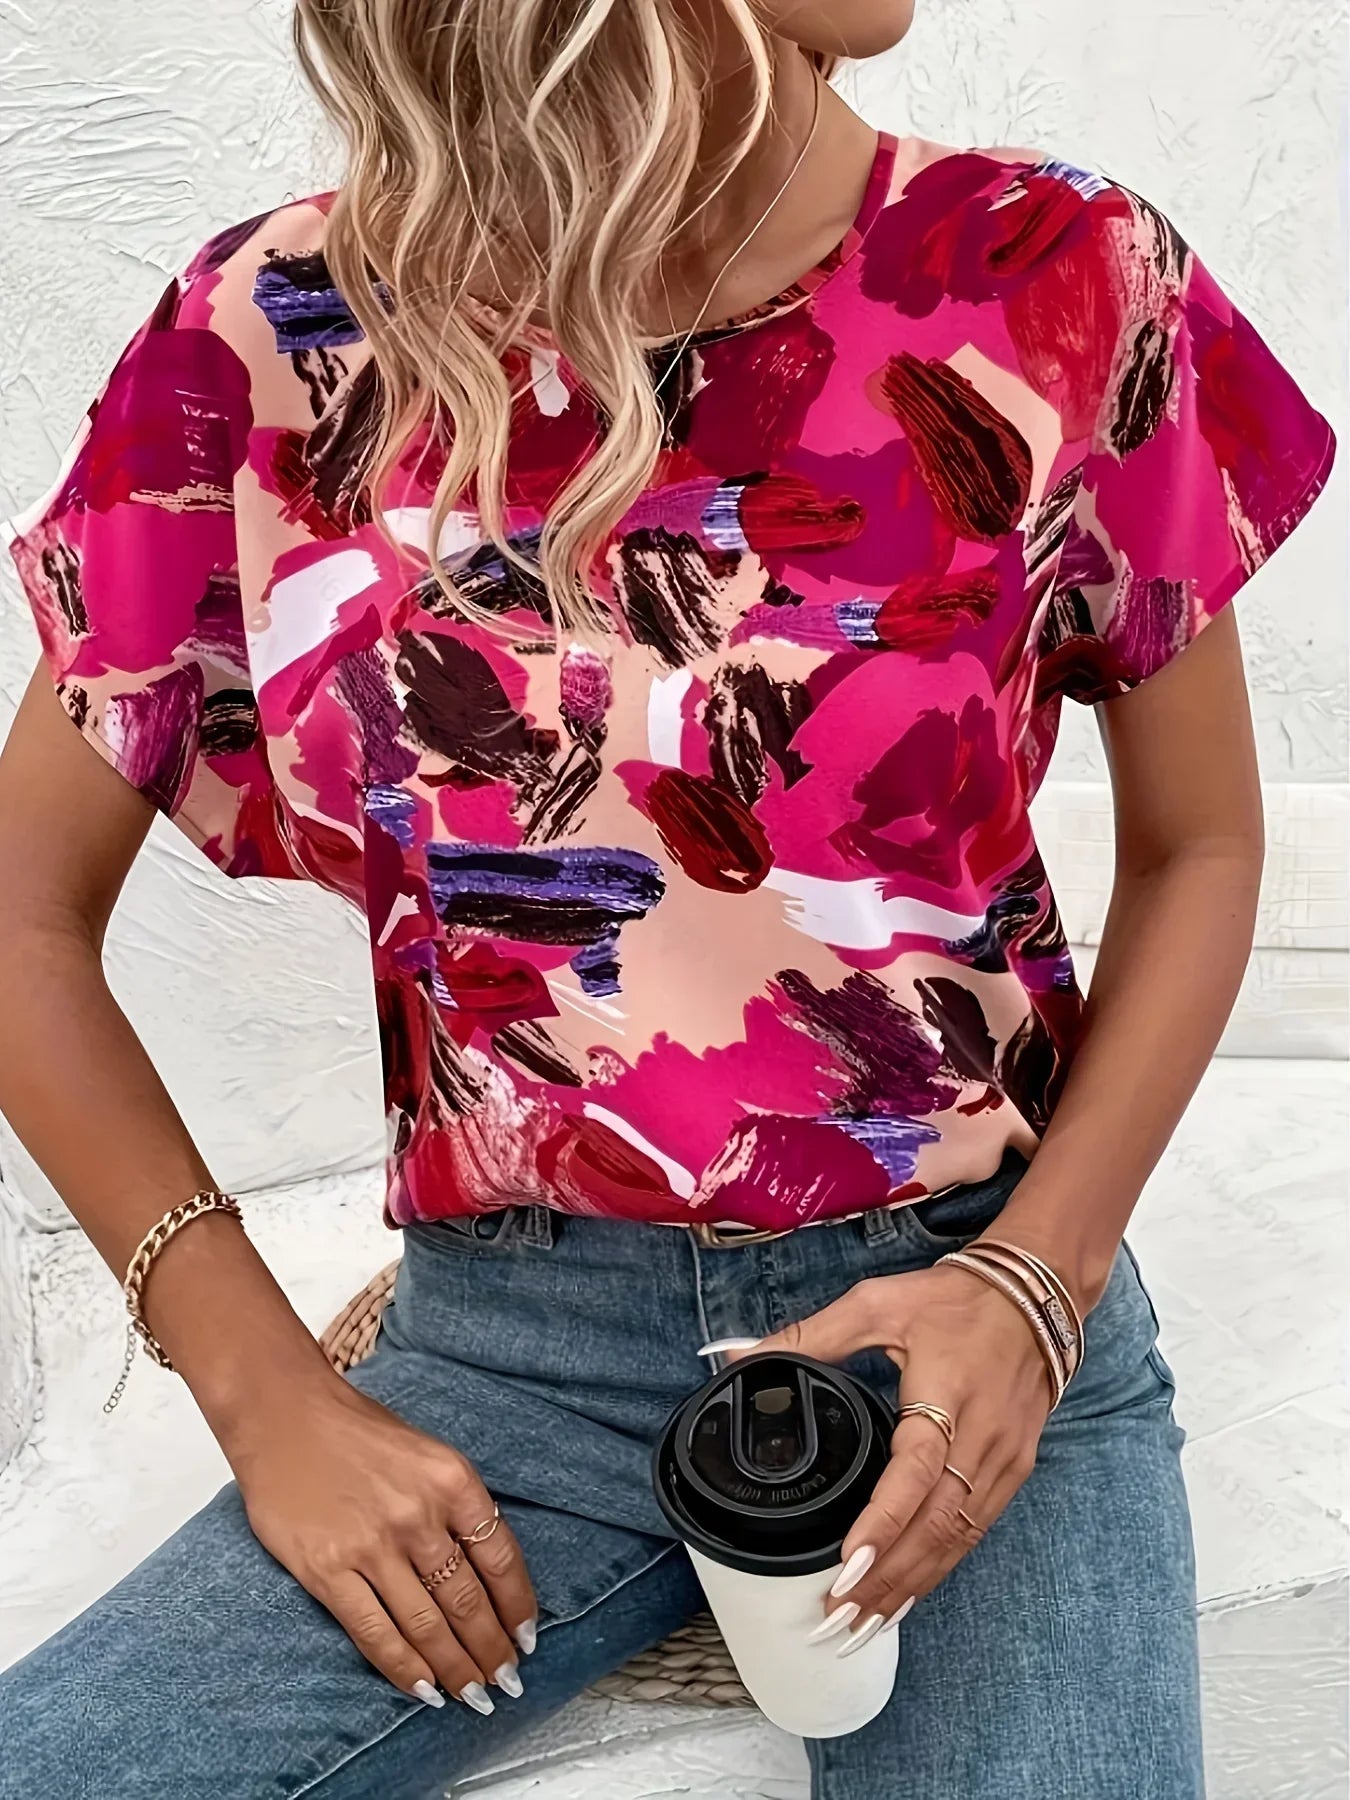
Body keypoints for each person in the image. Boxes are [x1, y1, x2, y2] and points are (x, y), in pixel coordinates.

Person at [0, 2, 1335, 1795]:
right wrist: (264, 1389)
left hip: (957, 1306)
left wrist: (1035, 1282)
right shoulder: (279, 332)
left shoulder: (1052, 272)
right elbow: (20, 915)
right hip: (515, 1350)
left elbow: (1198, 847)